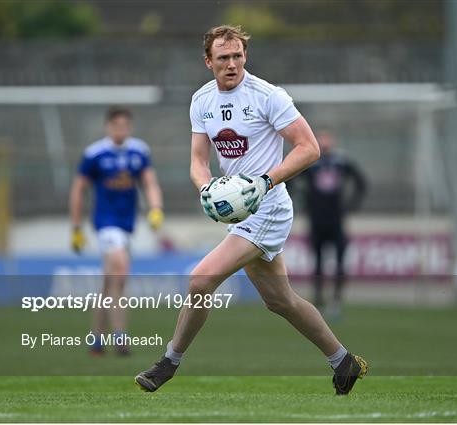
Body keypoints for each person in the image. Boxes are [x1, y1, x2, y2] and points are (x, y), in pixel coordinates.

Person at [135, 25, 367, 395]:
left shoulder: (268, 96)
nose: (232, 64)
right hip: (244, 214)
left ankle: (168, 363)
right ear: (208, 61)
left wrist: (264, 182)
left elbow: (308, 148)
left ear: (245, 56)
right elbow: (198, 161)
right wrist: (205, 188)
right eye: (223, 58)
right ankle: (343, 361)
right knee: (281, 301)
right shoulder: (202, 101)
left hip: (269, 209)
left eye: (237, 56)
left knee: (200, 280)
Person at [69, 106, 164, 356]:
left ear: (129, 127)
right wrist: (76, 227)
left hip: (126, 224)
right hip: (105, 223)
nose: (120, 130)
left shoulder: (139, 150)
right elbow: (79, 189)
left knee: (109, 282)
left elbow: (149, 181)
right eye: (116, 126)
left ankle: (96, 339)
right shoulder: (95, 154)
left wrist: (155, 208)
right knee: (121, 269)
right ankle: (120, 336)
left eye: (124, 126)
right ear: (108, 127)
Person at [302, 130, 367, 318]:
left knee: (339, 261)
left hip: (337, 220)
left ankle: (336, 300)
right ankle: (319, 300)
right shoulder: (311, 162)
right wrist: (302, 202)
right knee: (318, 262)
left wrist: (351, 205)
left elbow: (361, 182)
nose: (324, 143)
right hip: (316, 220)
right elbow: (292, 181)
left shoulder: (341, 162)